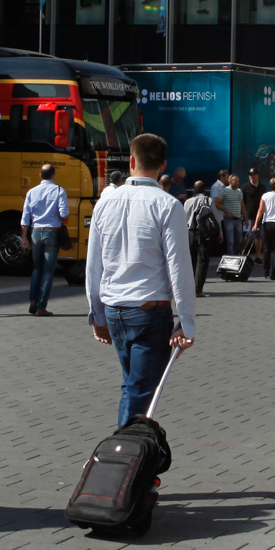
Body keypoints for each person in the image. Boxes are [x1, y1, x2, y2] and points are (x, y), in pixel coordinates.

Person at [85, 131, 195, 426]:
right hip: (149, 312)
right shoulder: (168, 205)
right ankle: (124, 451)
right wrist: (186, 321)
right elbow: (179, 267)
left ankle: (125, 448)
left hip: (114, 311)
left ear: (131, 161)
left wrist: (97, 314)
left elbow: (93, 266)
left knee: (131, 385)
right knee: (141, 393)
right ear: (163, 165)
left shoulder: (105, 202)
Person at [21, 164, 68, 316]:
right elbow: (64, 214)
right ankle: (41, 307)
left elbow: (25, 218)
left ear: (40, 175)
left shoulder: (31, 192)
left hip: (35, 232)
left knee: (37, 268)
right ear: (53, 175)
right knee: (48, 270)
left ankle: (33, 301)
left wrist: (24, 238)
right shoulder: (59, 191)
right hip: (52, 232)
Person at [183, 181, 220, 297]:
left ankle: (189, 288)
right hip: (204, 234)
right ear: (204, 189)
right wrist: (220, 233)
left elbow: (184, 219)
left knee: (191, 261)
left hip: (190, 233)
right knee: (202, 261)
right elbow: (216, 218)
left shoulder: (187, 202)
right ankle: (198, 289)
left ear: (194, 190)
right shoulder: (208, 201)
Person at [254, 176, 275, 281]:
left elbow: (260, 210)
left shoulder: (265, 196)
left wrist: (256, 224)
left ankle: (266, 271)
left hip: (267, 223)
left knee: (267, 248)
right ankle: (273, 274)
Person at [214, 171, 244, 255]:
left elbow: (242, 205)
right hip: (229, 220)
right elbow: (217, 203)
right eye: (235, 181)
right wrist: (226, 211)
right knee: (231, 241)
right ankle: (231, 257)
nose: (237, 183)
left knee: (239, 240)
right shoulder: (225, 191)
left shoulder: (239, 191)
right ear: (230, 181)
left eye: (238, 181)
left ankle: (237, 256)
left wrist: (246, 218)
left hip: (238, 219)